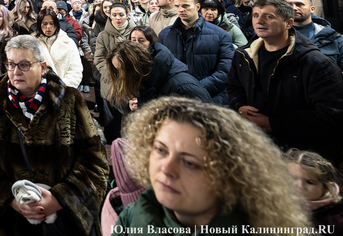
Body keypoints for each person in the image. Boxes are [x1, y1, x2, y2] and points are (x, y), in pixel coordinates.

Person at [0, 36, 108, 236]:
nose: (16, 72)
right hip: (12, 223)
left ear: (42, 67)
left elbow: (95, 161)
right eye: (11, 64)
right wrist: (10, 199)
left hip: (64, 223)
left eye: (24, 65)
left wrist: (59, 199)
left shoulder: (70, 100)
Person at [114, 96, 310, 230]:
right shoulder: (130, 217)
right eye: (160, 150)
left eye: (189, 163)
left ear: (228, 176)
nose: (166, 168)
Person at [226, 0, 343, 164]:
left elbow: (331, 114)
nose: (259, 21)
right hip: (259, 145)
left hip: (302, 153)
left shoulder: (315, 63)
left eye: (269, 16)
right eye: (256, 15)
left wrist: (273, 123)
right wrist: (239, 106)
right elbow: (234, 87)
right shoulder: (243, 55)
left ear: (288, 23)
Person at [159, 0, 234, 105]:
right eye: (177, 6)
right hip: (176, 97)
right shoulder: (165, 34)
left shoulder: (220, 35)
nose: (181, 10)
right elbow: (162, 68)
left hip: (210, 97)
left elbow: (225, 71)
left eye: (185, 6)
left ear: (197, 7)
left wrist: (195, 90)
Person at [107, 39, 211, 113]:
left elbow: (207, 123)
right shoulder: (144, 81)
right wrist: (129, 105)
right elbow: (117, 97)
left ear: (135, 67)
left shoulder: (182, 86)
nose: (121, 76)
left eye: (123, 70)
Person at [286, 149, 343, 229]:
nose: (299, 186)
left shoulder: (335, 219)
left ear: (326, 188)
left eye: (310, 182)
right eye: (292, 178)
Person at [286, 0, 343, 70]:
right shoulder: (275, 36)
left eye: (299, 4)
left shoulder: (333, 37)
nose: (294, 8)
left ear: (312, 9)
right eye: (288, 5)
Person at [34, 8, 82, 89]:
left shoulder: (68, 43)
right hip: (39, 90)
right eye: (44, 24)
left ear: (56, 24)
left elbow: (76, 70)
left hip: (64, 90)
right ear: (39, 25)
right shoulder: (32, 44)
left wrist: (62, 87)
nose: (48, 27)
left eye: (51, 23)